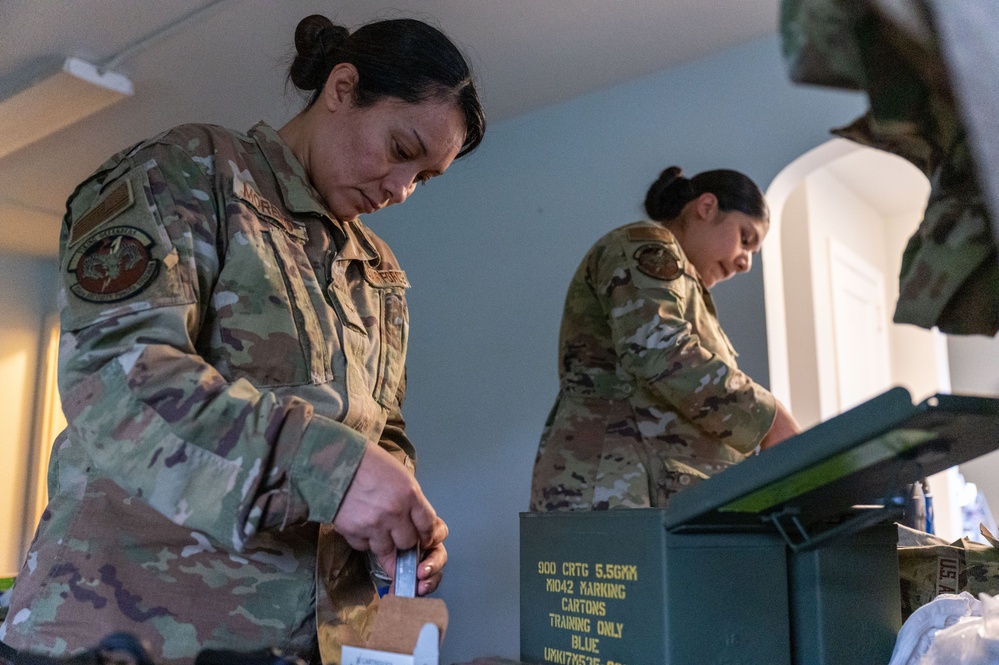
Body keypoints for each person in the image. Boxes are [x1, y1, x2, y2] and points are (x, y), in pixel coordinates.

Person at [0, 13, 484, 665]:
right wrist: (333, 470)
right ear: (342, 88)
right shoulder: (189, 174)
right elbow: (117, 378)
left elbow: (382, 431)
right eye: (402, 150)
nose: (402, 189)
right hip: (135, 630)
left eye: (424, 177)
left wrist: (396, 517)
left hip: (313, 641)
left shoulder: (378, 271)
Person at [530, 166, 800, 512]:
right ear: (706, 207)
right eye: (745, 238)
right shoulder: (646, 244)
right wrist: (769, 416)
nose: (746, 263)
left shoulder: (689, 292)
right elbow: (659, 349)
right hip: (610, 490)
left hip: (646, 492)